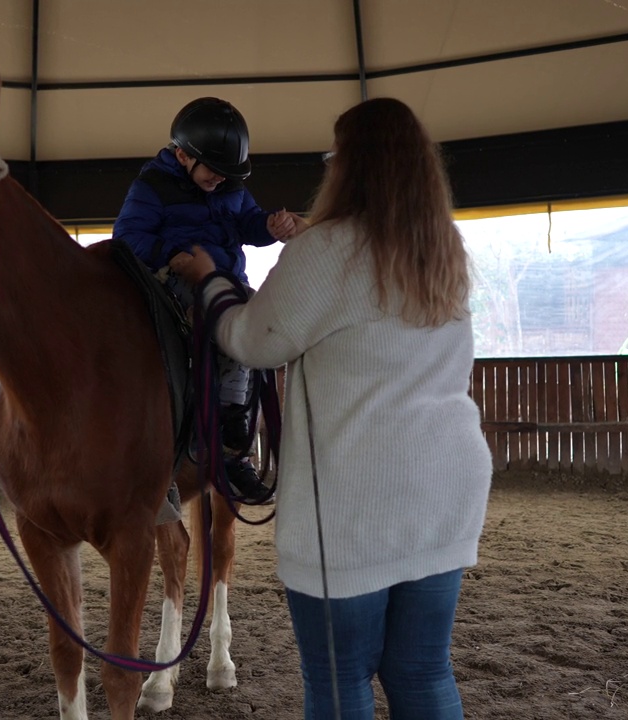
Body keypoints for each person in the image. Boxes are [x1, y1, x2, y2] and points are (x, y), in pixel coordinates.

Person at [173, 97, 493, 719]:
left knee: (341, 680)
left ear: (349, 166)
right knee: (423, 674)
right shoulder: (443, 248)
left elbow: (251, 341)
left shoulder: (327, 249)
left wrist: (210, 277)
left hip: (352, 507)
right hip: (445, 492)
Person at [114, 96, 300, 508]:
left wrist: (270, 225)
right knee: (227, 321)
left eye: (227, 173)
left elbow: (248, 222)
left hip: (226, 283)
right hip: (174, 280)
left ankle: (234, 447)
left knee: (260, 326)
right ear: (182, 155)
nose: (220, 179)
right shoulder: (151, 187)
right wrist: (168, 254)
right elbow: (126, 238)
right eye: (214, 171)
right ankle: (201, 441)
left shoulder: (230, 184)